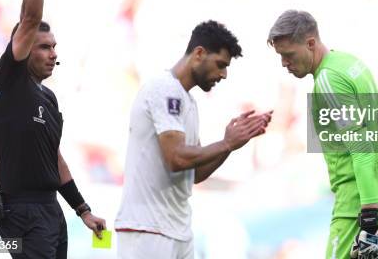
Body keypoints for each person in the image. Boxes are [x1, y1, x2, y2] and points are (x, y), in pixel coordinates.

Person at [0, 0, 106, 258]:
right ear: (24, 50)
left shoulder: (48, 98)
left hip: (51, 208)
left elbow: (53, 158)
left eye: (54, 46)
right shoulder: (8, 82)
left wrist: (82, 209)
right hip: (21, 211)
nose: (53, 53)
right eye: (43, 47)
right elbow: (29, 19)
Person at [115, 20, 272, 259]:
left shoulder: (187, 101)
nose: (224, 74)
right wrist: (226, 143)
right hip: (148, 230)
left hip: (178, 229)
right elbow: (176, 158)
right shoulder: (164, 89)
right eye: (220, 64)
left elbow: (195, 172)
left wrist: (231, 145)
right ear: (199, 53)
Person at [267, 10, 378, 259]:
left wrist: (369, 215)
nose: (284, 63)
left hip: (358, 208)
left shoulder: (328, 81)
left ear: (310, 44)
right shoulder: (351, 64)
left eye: (288, 55)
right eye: (280, 56)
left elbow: (361, 146)